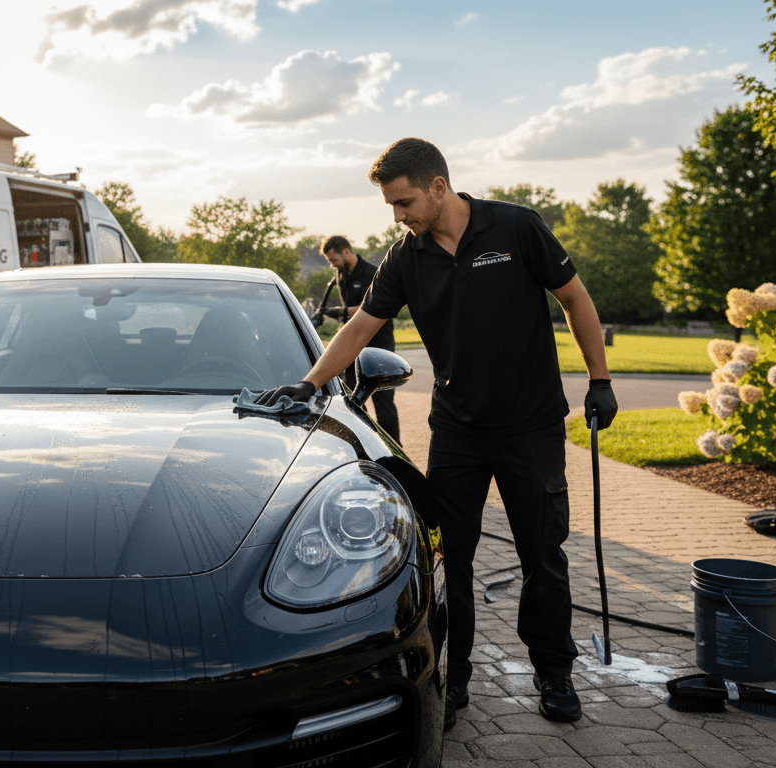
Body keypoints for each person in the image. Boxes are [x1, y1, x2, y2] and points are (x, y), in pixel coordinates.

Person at [257, 138, 617, 730]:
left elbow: (574, 298)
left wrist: (599, 379)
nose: (398, 216)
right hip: (458, 431)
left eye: (404, 203)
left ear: (438, 186)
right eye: (392, 206)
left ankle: (554, 671)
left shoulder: (516, 228)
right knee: (452, 560)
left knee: (542, 556)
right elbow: (362, 326)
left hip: (530, 427)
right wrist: (310, 382)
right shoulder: (407, 257)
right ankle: (455, 679)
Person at [313, 235, 401, 445]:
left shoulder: (373, 274)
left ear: (346, 252)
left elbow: (369, 310)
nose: (332, 265)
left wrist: (341, 311)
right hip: (354, 345)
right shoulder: (341, 274)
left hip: (379, 342)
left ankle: (394, 447)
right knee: (350, 397)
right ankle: (362, 442)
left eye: (334, 260)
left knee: (383, 399)